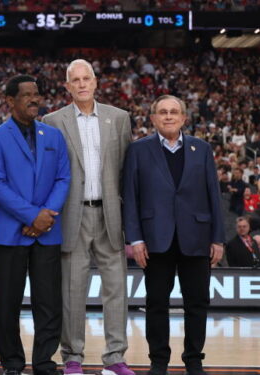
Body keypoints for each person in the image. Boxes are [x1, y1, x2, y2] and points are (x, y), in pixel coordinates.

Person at [41, 59, 134, 375]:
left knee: (116, 289)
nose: (81, 84)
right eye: (74, 80)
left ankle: (115, 357)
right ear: (66, 86)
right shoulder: (52, 121)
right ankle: (72, 357)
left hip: (110, 215)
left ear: (96, 82)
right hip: (72, 215)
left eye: (86, 78)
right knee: (72, 290)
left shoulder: (119, 119)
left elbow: (125, 172)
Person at [123, 95, 224, 375]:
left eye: (174, 112)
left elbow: (214, 195)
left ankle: (194, 360)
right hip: (155, 239)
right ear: (153, 118)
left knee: (198, 302)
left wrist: (217, 238)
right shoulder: (138, 150)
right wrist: (136, 239)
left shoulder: (201, 149)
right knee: (156, 302)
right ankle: (158, 361)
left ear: (183, 118)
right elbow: (131, 197)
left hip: (197, 236)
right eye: (163, 112)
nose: (168, 116)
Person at [0, 75, 71, 375]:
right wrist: (33, 216)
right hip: (11, 233)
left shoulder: (53, 136)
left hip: (47, 231)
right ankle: (12, 362)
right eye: (27, 95)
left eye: (37, 94)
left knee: (49, 303)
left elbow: (63, 179)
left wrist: (45, 215)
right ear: (10, 101)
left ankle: (45, 362)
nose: (35, 99)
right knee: (8, 302)